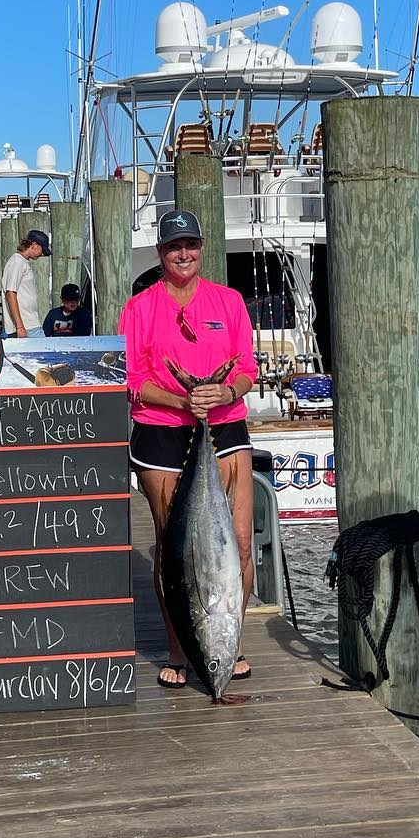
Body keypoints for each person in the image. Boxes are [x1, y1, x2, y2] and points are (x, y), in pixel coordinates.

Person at [121, 210, 257, 689]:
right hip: (162, 431)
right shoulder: (139, 308)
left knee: (240, 542)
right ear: (161, 252)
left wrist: (226, 392)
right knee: (172, 549)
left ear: (201, 248)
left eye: (191, 245)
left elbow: (247, 369)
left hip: (225, 425)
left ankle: (229, 640)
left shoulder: (229, 301)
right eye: (174, 246)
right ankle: (180, 649)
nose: (184, 254)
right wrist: (183, 400)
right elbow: (132, 380)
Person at [2, 227, 50, 338]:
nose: (42, 254)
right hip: (27, 327)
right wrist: (20, 327)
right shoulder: (17, 262)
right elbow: (10, 293)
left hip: (30, 325)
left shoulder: (21, 262)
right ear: (34, 245)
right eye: (42, 250)